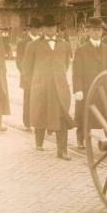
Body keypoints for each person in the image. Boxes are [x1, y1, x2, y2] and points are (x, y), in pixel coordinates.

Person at [22, 14, 74, 159]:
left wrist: (59, 78)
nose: (50, 30)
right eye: (46, 28)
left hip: (60, 88)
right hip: (41, 87)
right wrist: (34, 83)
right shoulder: (32, 45)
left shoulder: (64, 44)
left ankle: (62, 150)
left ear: (56, 28)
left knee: (62, 116)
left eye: (53, 27)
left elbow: (66, 64)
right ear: (42, 29)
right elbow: (27, 67)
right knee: (40, 114)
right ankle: (39, 142)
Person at [72, 17, 107, 149]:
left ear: (102, 32)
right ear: (88, 32)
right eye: (94, 30)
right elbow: (77, 72)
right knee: (84, 116)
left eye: (99, 30)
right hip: (87, 89)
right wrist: (77, 90)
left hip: (105, 90)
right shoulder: (81, 50)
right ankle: (81, 139)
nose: (97, 33)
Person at [16, 18, 42, 131]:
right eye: (34, 29)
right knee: (28, 99)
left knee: (41, 100)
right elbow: (19, 61)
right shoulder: (23, 43)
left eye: (38, 28)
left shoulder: (43, 42)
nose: (36, 31)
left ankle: (39, 121)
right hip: (28, 77)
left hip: (42, 77)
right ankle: (27, 122)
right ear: (30, 29)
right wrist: (26, 73)